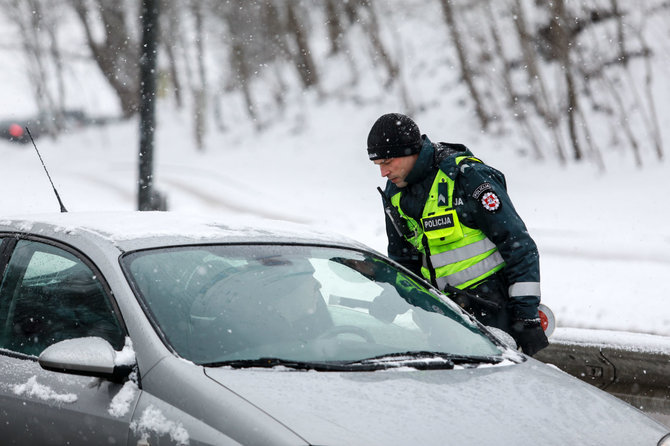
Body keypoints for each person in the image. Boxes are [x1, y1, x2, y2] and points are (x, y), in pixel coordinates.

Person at [367, 112, 548, 356]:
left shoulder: (467, 178)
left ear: (410, 151)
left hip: (493, 316)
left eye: (387, 163)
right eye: (378, 166)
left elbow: (519, 247)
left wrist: (526, 319)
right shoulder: (395, 193)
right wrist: (393, 297)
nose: (383, 173)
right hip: (441, 321)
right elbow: (405, 261)